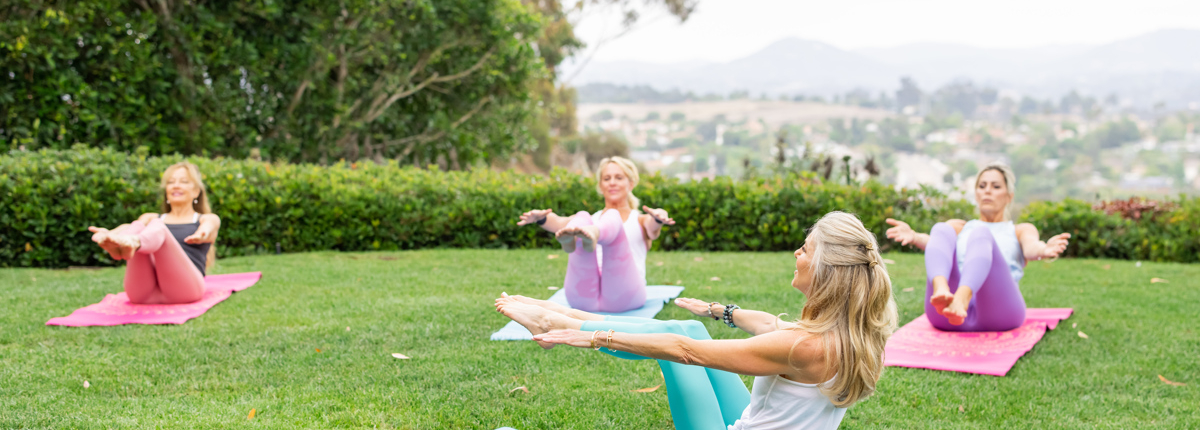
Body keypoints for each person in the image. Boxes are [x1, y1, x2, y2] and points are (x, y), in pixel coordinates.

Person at [497, 212, 898, 430]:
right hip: (747, 422)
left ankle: (558, 324)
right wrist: (718, 310)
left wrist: (599, 337)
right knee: (689, 326)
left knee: (681, 337)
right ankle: (561, 315)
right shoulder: (857, 337)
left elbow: (686, 352)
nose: (797, 252)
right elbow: (770, 326)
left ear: (827, 270)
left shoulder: (805, 348)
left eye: (806, 249)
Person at [884, 162, 1070, 331]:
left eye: (995, 186)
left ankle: (962, 298)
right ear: (976, 193)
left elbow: (1032, 248)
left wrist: (1045, 250)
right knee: (942, 228)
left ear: (1009, 196)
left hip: (1000, 315)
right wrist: (915, 236)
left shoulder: (1019, 230)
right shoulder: (960, 227)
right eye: (982, 186)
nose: (987, 191)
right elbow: (937, 246)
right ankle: (942, 290)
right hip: (945, 316)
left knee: (981, 235)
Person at [516, 156, 675, 313]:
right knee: (582, 216)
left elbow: (653, 224)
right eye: (607, 178)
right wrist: (541, 218)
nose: (612, 182)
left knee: (612, 215)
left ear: (631, 183)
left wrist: (660, 215)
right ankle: (576, 241)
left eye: (619, 178)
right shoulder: (591, 219)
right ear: (600, 185)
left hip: (624, 296)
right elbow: (558, 222)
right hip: (583, 298)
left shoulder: (641, 220)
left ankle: (596, 234)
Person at [87, 162, 222, 304]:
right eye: (170, 182)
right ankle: (126, 244)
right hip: (143, 294)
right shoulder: (150, 218)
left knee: (159, 228)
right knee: (141, 226)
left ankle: (135, 242)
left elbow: (209, 227)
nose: (175, 185)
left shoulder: (205, 218)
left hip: (185, 291)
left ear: (196, 191)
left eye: (184, 182)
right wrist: (110, 234)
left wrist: (202, 234)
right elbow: (131, 226)